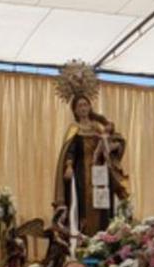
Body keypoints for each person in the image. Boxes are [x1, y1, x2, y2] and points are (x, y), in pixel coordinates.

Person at [52, 62, 129, 236]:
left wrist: (113, 146)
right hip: (81, 174)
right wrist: (69, 166)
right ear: (75, 110)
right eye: (79, 106)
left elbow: (114, 141)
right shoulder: (74, 129)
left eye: (85, 105)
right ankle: (84, 239)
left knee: (102, 206)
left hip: (100, 173)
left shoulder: (98, 127)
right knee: (83, 206)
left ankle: (103, 239)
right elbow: (70, 151)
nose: (83, 108)